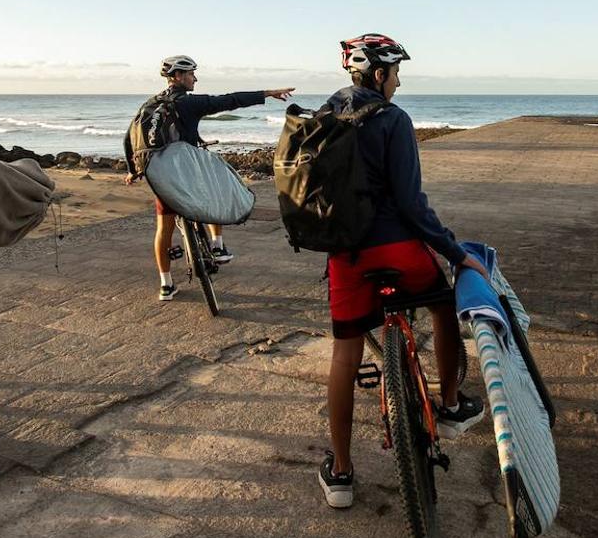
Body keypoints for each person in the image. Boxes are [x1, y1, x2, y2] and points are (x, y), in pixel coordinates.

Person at [317, 33, 490, 509]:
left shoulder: (322, 119)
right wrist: (455, 252)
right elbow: (413, 204)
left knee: (344, 355)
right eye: (396, 72)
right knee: (442, 301)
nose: (399, 81)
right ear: (379, 74)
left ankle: (342, 473)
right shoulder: (393, 119)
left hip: (346, 257)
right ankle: (452, 405)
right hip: (398, 247)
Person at [124, 55, 294, 300]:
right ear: (179, 76)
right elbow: (229, 101)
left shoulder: (151, 105)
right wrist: (267, 93)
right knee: (217, 188)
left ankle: (166, 285)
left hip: (162, 178)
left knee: (164, 227)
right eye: (192, 73)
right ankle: (218, 246)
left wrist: (133, 169)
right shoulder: (188, 103)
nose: (195, 78)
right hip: (187, 174)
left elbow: (129, 137)